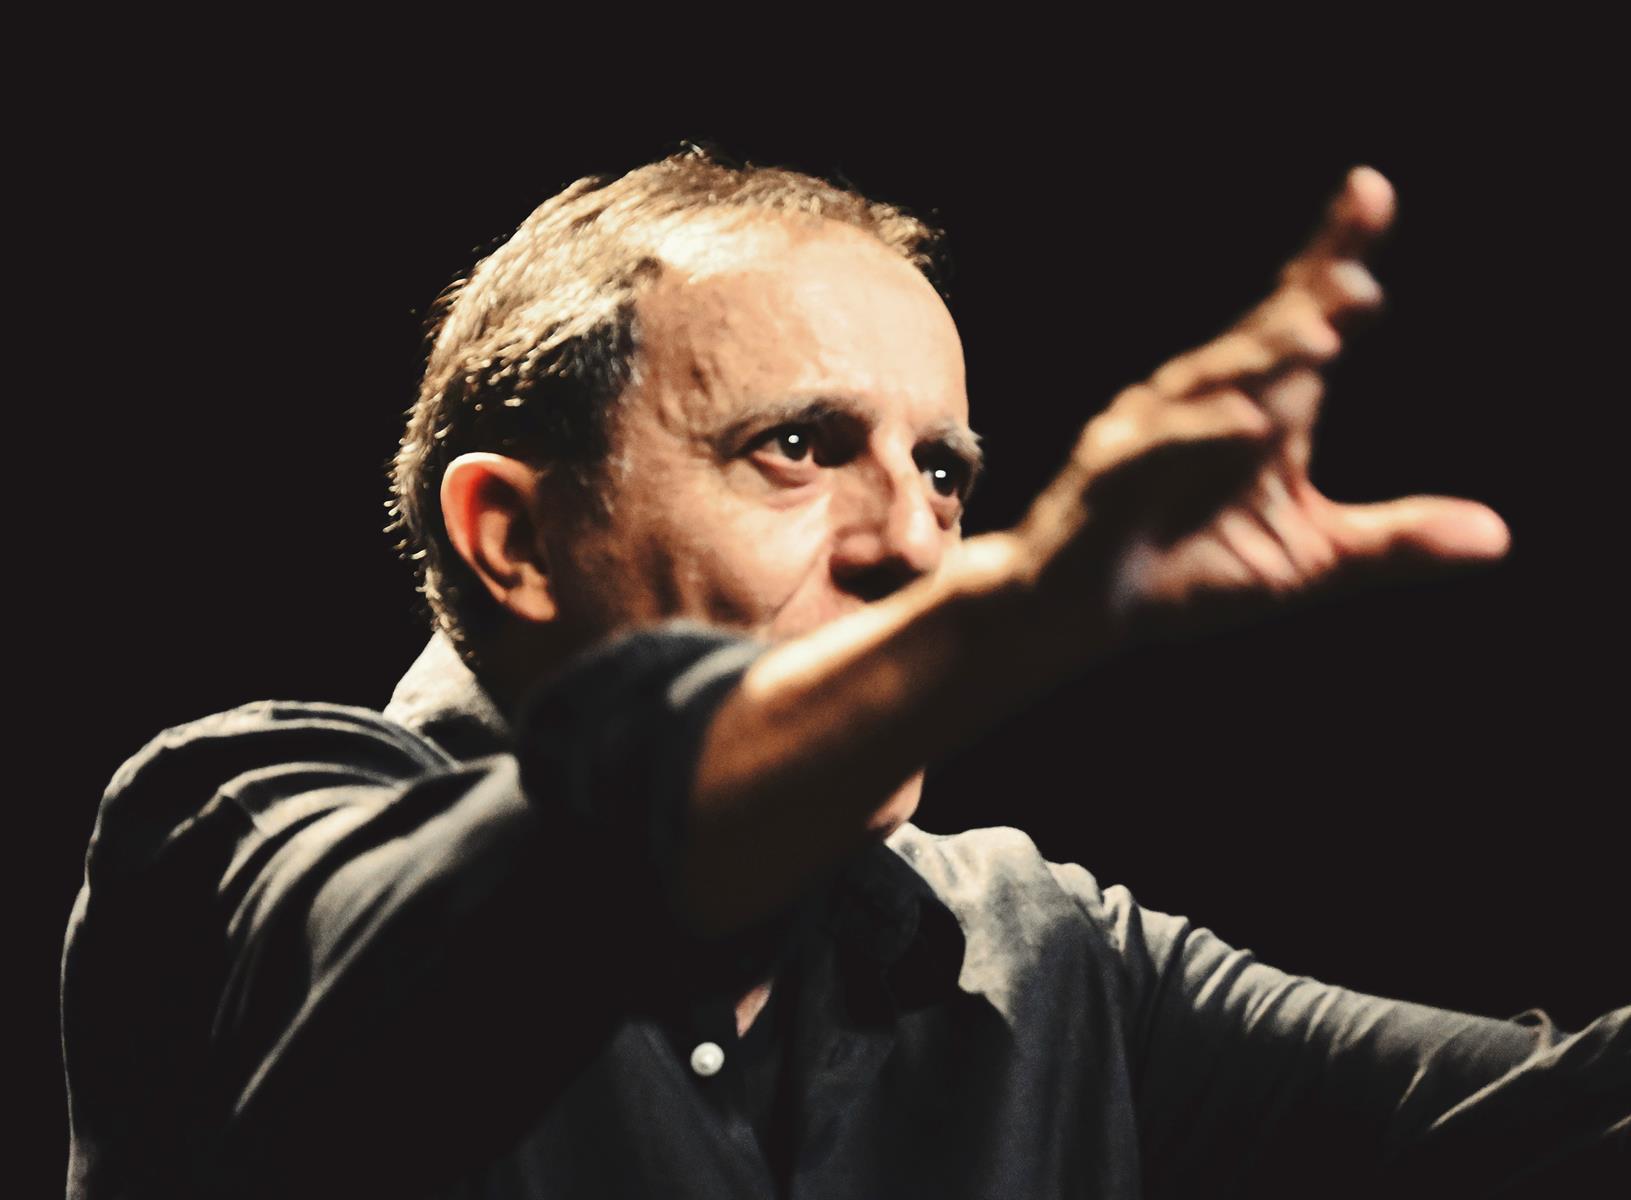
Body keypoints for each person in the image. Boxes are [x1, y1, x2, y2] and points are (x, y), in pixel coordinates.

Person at [61, 149, 1627, 1198]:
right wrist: (1019, 609)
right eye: (799, 448)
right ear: (515, 538)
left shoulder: (1043, 956)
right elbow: (453, 951)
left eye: (945, 472)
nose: (917, 544)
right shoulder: (231, 834)